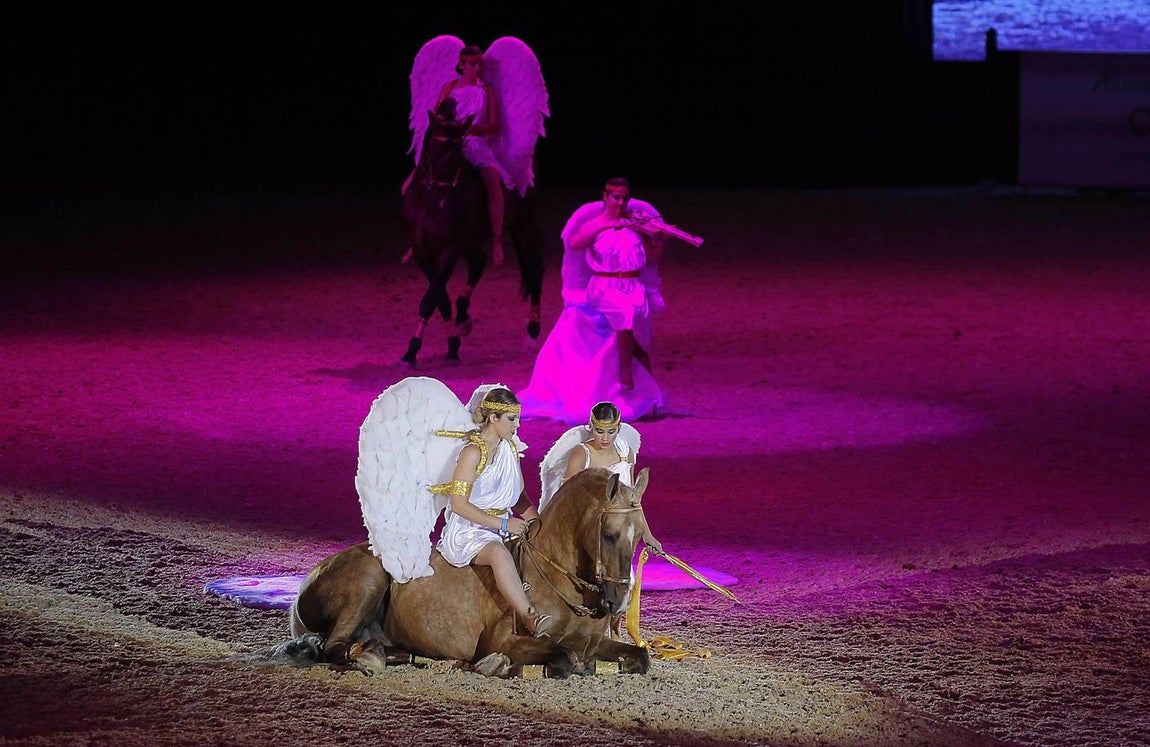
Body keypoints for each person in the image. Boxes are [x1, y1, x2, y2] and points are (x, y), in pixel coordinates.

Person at [356, 377, 551, 637]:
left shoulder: (509, 451)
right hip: (471, 531)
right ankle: (531, 617)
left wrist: (539, 525)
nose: (517, 425)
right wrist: (505, 524)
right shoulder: (472, 453)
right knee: (499, 554)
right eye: (511, 419)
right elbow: (459, 505)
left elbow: (520, 499)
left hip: (505, 526)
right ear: (493, 418)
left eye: (517, 419)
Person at [518, 178, 667, 424]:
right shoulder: (595, 222)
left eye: (624, 198)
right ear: (605, 197)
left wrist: (658, 239)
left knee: (634, 325)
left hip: (631, 286)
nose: (620, 202)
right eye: (615, 197)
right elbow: (575, 243)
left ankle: (643, 390)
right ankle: (625, 373)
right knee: (623, 313)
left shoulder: (633, 226)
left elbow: (650, 259)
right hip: (604, 287)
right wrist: (606, 225)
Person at [538, 401, 662, 639]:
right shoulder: (581, 454)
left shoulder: (626, 452)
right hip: (589, 525)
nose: (605, 438)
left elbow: (633, 500)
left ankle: (614, 628)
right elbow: (567, 500)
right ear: (591, 427)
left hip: (617, 524)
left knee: (624, 575)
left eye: (611, 432)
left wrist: (648, 535)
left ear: (618, 429)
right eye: (599, 431)